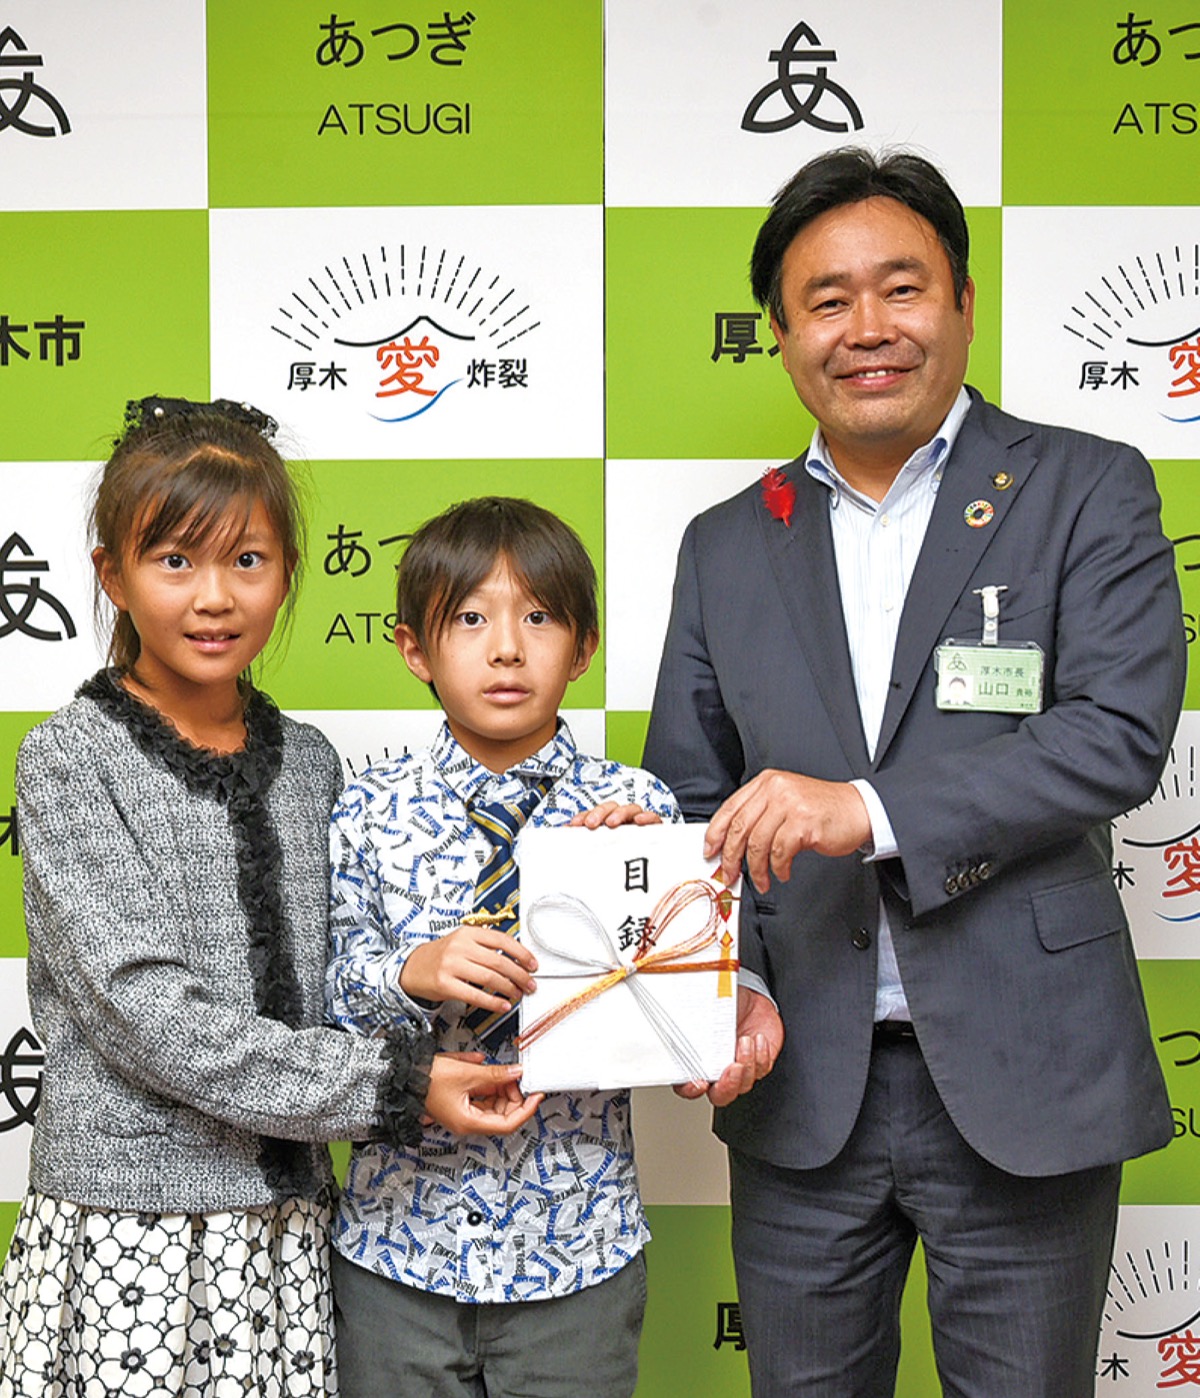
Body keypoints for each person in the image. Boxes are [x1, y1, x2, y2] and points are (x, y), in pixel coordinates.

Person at [643, 148, 1187, 1397]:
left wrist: (866, 810)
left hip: (1028, 1075)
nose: (869, 328)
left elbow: (1117, 733)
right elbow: (692, 800)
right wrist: (727, 987)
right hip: (800, 1086)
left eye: (902, 288)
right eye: (828, 301)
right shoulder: (726, 544)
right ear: (782, 334)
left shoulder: (1085, 487)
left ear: (963, 303)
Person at [0, 398, 538, 1397]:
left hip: (292, 1227)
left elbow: (364, 956)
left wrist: (595, 843)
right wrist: (395, 1086)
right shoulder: (70, 760)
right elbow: (145, 1016)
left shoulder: (311, 764)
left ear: (288, 571)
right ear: (112, 575)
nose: (214, 597)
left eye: (246, 560)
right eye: (175, 561)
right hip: (134, 1232)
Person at [325, 496, 685, 1398]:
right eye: (470, 619)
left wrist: (646, 898)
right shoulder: (366, 807)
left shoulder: (637, 810)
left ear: (584, 647)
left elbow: (679, 1023)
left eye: (539, 617)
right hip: (397, 1241)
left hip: (580, 1240)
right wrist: (409, 972)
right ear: (415, 649)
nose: (507, 649)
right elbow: (323, 1008)